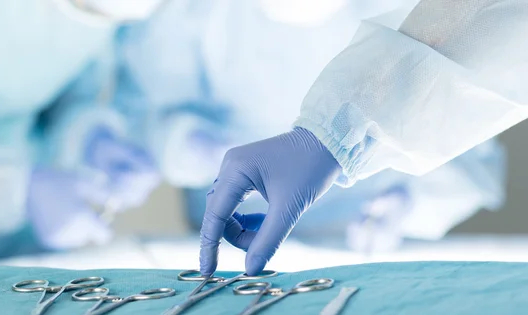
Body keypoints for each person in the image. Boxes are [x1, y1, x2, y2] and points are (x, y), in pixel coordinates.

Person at [118, 1, 506, 256]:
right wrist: (180, 144)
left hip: (368, 252)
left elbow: (472, 138)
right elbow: (141, 111)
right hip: (230, 256)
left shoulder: (413, 7)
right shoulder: (196, 12)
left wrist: (415, 202)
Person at [0, 0, 162, 267]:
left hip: (23, 245)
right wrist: (15, 189)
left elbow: (67, 97)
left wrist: (89, 139)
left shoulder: (104, 13)